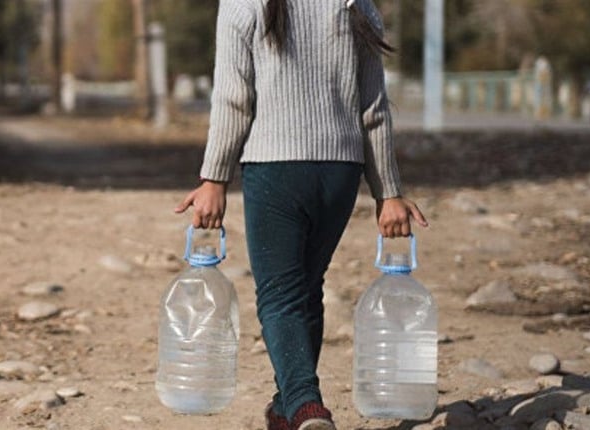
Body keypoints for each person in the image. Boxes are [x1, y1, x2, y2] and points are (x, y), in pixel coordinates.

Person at [175, 0, 428, 429]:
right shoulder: (357, 4)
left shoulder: (243, 3)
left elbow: (234, 99)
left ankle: (309, 406)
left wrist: (214, 179)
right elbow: (374, 109)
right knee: (306, 291)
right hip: (340, 173)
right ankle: (287, 407)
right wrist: (388, 192)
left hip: (275, 169)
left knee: (280, 298)